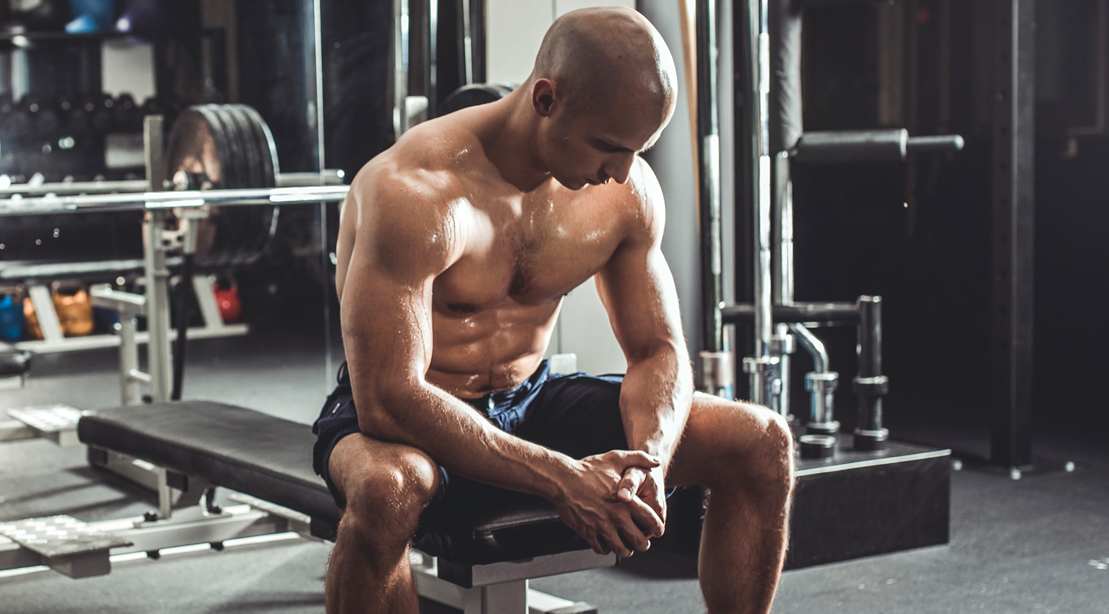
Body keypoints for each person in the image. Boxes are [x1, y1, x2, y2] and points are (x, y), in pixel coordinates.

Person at [312, 7, 794, 614]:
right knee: (387, 490)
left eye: (637, 150)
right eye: (608, 147)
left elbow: (657, 351)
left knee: (762, 441)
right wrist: (565, 478)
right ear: (545, 98)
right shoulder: (415, 191)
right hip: (406, 417)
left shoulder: (624, 192)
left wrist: (650, 460)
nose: (622, 171)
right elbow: (388, 395)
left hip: (529, 401)